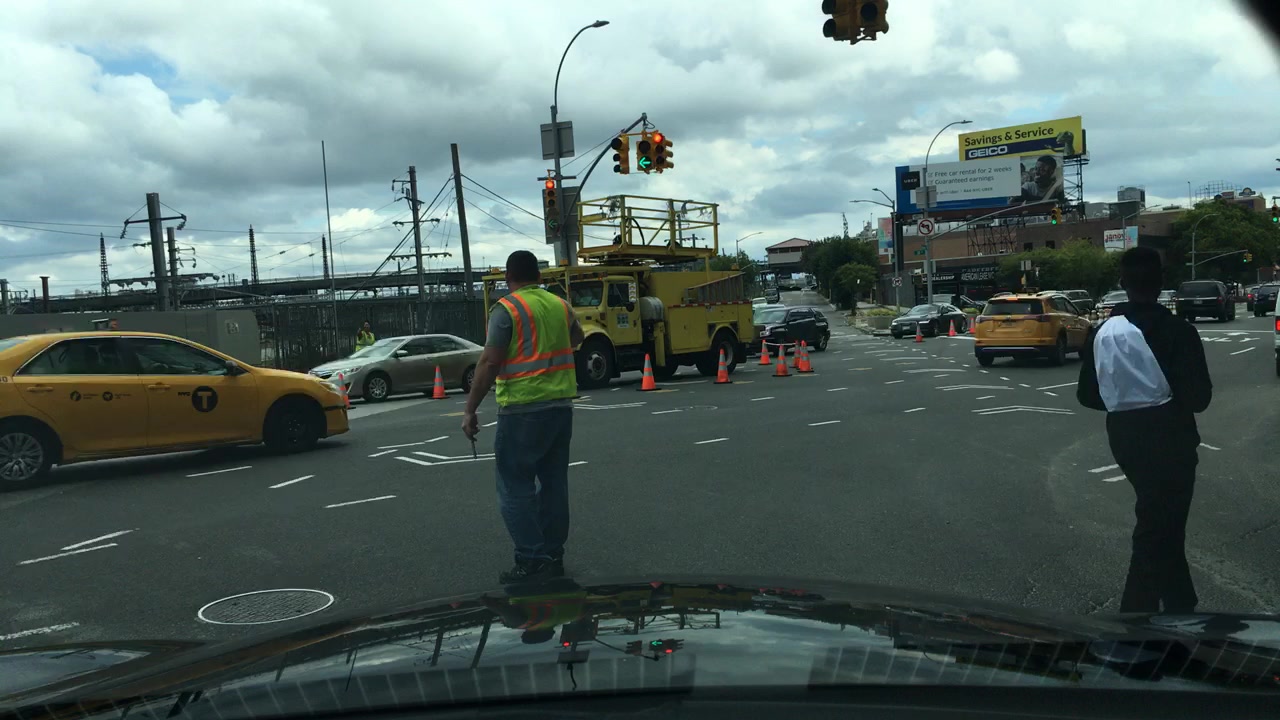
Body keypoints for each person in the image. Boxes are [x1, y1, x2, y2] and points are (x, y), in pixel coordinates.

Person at [1077, 247, 1212, 614]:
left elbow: (1087, 395)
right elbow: (1199, 398)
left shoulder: (1103, 333)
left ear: (1123, 283)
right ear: (1161, 282)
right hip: (1172, 437)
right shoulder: (1179, 331)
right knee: (1158, 524)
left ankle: (1181, 603)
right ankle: (1135, 616)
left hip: (1124, 437)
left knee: (1162, 519)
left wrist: (1126, 398)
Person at [463, 250, 585, 584]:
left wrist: (470, 409)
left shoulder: (507, 309)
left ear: (508, 277)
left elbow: (490, 361)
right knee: (554, 485)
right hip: (560, 408)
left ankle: (532, 560)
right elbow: (578, 337)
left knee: (515, 486)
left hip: (522, 410)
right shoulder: (559, 305)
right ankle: (553, 555)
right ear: (539, 277)